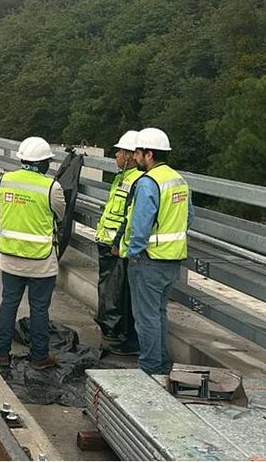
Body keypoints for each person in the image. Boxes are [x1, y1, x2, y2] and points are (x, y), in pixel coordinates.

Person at [0, 136, 66, 371]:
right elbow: (60, 215)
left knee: (9, 303)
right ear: (43, 163)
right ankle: (39, 357)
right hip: (41, 261)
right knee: (39, 309)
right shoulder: (52, 187)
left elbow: (1, 208)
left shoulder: (5, 180)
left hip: (11, 257)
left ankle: (1, 353)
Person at [122, 127, 194, 375]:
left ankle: (151, 367)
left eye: (138, 152)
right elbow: (189, 217)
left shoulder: (148, 182)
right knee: (159, 313)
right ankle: (161, 363)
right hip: (172, 259)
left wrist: (133, 252)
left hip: (149, 260)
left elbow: (140, 225)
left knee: (146, 317)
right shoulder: (179, 181)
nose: (135, 157)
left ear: (149, 154)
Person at [94, 130, 142, 355]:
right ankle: (109, 328)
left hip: (117, 246)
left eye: (120, 152)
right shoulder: (120, 178)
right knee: (107, 289)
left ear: (132, 155)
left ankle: (116, 332)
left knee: (116, 292)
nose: (116, 155)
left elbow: (129, 216)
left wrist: (117, 241)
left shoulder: (137, 181)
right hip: (106, 241)